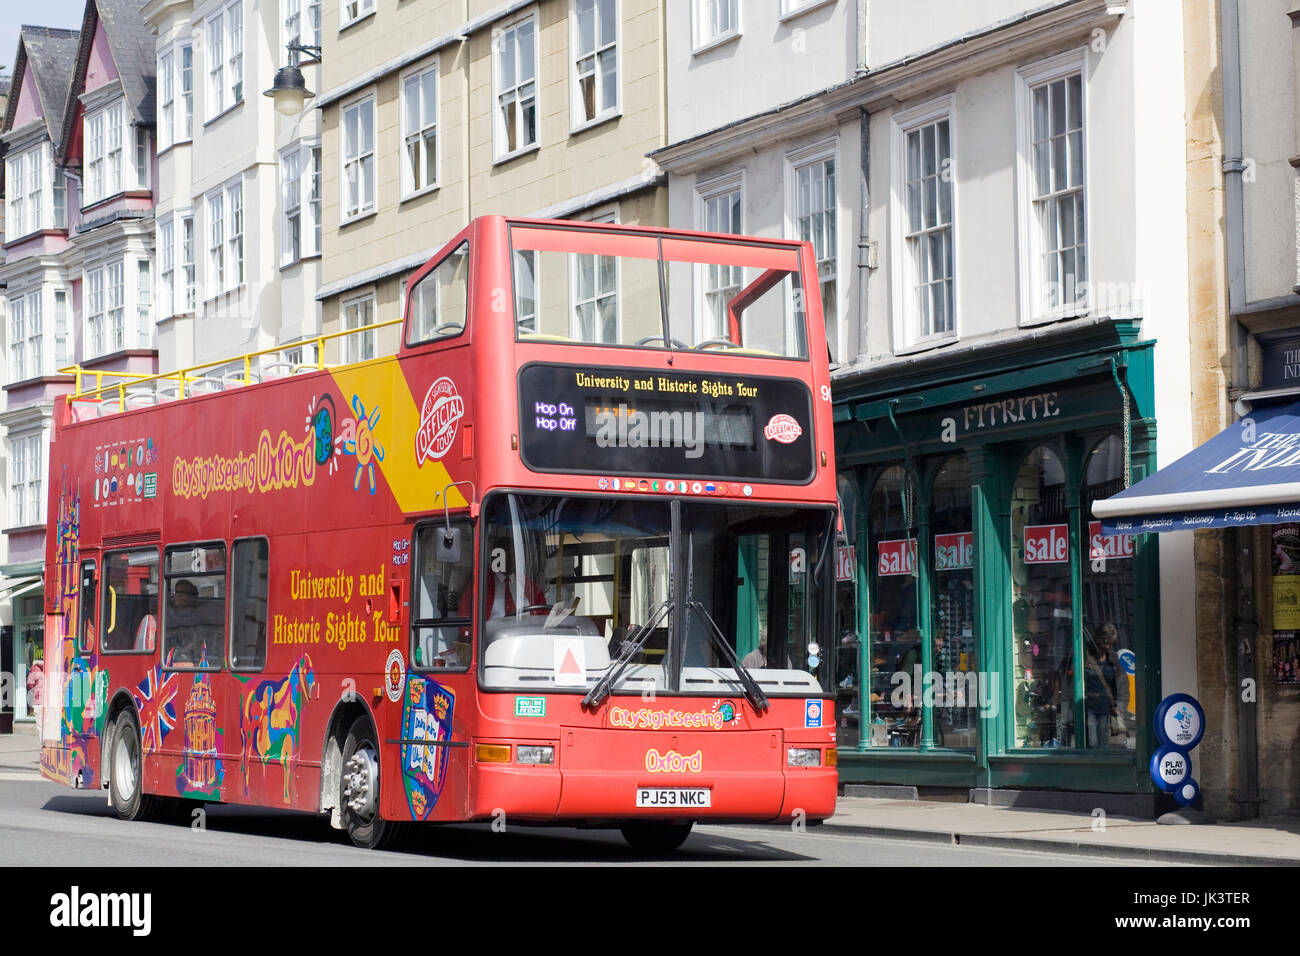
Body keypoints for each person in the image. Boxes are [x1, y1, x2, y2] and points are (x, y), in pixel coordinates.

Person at [1083, 624, 1120, 748]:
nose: (1107, 647)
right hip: (1089, 706)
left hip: (1104, 707)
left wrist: (1115, 705)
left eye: (1110, 644)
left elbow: (1115, 684)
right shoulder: (1086, 656)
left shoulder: (1112, 658)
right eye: (1104, 643)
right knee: (1092, 741)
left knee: (1103, 742)